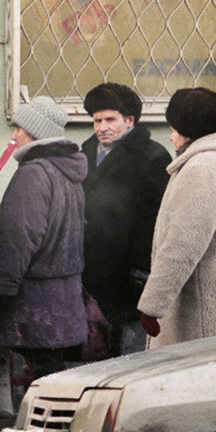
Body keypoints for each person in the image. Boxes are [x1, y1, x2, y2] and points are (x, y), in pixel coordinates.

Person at [137, 88, 216, 347]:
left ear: (188, 129)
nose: (171, 136)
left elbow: (181, 245)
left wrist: (152, 306)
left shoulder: (201, 170)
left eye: (173, 128)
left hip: (199, 317)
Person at [0, 96, 87, 379]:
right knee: (51, 375)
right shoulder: (66, 172)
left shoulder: (34, 173)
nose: (14, 135)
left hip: (32, 298)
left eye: (19, 129)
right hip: (60, 295)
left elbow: (19, 236)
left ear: (36, 133)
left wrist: (1, 287)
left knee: (38, 380)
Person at [78, 82, 171, 356]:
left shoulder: (151, 156)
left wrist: (140, 270)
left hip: (128, 276)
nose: (102, 127)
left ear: (129, 120)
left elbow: (154, 219)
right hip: (90, 272)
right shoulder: (85, 154)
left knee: (130, 355)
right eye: (97, 120)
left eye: (110, 119)